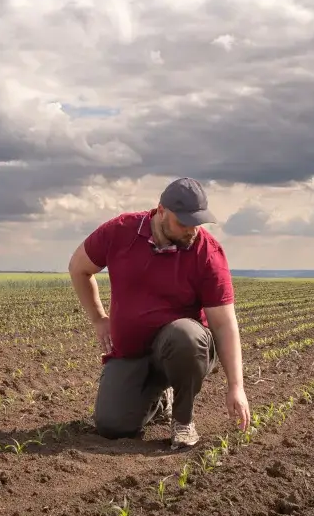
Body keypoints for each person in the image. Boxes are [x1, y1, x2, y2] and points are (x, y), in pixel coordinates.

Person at [67, 177, 250, 449]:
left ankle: (183, 420)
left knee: (185, 336)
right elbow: (78, 267)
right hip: (132, 352)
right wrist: (98, 319)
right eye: (183, 222)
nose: (192, 230)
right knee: (112, 426)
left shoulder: (208, 253)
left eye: (196, 222)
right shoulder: (120, 231)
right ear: (161, 211)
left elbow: (223, 324)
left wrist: (236, 386)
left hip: (181, 349)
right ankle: (159, 398)